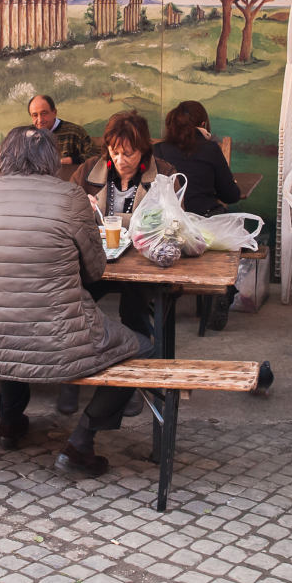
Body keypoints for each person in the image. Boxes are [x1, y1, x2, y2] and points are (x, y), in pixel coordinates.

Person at [0, 125, 157, 478]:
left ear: (4, 155)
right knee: (144, 348)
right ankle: (81, 443)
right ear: (50, 158)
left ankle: (9, 425)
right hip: (56, 342)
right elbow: (95, 270)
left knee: (13, 322)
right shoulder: (69, 197)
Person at [62, 109, 173, 413]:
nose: (121, 159)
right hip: (97, 262)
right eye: (115, 151)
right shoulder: (88, 171)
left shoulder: (163, 174)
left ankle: (131, 383)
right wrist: (78, 207)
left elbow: (173, 222)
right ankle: (72, 377)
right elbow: (65, 217)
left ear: (144, 149)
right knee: (75, 306)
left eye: (130, 153)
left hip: (143, 265)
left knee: (135, 314)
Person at [153, 100, 240, 217]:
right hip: (204, 221)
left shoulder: (157, 150)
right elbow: (231, 196)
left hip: (166, 223)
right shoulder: (211, 149)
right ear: (203, 124)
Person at [27, 94, 99, 165]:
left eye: (44, 113)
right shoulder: (27, 135)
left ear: (54, 112)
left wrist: (72, 160)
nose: (40, 120)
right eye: (35, 115)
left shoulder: (74, 132)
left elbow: (96, 155)